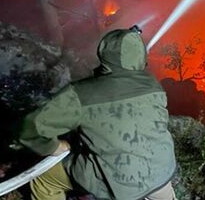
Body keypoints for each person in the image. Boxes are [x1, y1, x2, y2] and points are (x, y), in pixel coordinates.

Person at [19, 27, 177, 200]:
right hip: (162, 173)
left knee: (45, 179)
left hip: (119, 184)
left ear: (104, 53)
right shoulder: (154, 85)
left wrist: (55, 147)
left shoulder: (81, 93)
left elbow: (32, 127)